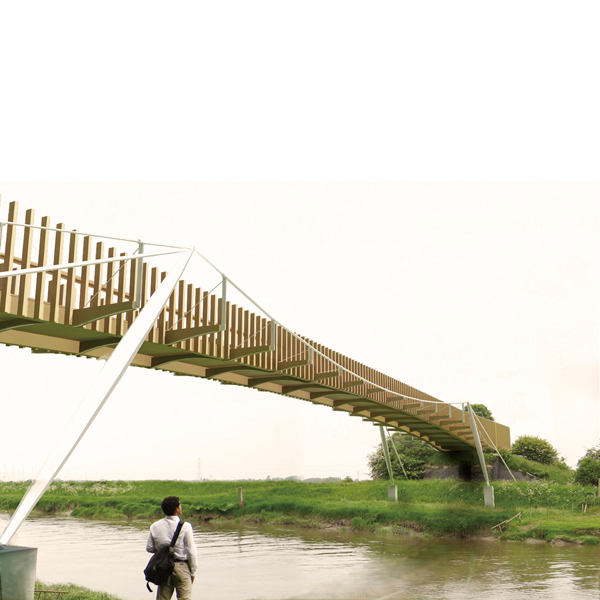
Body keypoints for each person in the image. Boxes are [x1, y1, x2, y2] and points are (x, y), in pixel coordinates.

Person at [147, 496, 198, 600]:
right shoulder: (186, 526)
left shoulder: (155, 526)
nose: (181, 506)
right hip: (181, 567)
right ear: (176, 509)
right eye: (180, 505)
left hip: (164, 567)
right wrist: (192, 572)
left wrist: (163, 551)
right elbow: (191, 551)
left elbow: (150, 548)